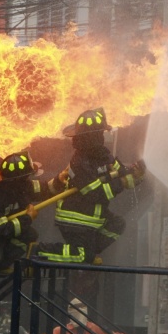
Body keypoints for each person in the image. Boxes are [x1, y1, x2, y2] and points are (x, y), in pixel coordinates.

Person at [36, 108, 145, 265]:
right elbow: (95, 193)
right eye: (97, 134)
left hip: (93, 216)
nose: (100, 137)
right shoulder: (79, 162)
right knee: (82, 256)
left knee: (117, 224)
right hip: (75, 219)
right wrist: (121, 182)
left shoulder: (104, 155)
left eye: (100, 133)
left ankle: (89, 252)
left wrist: (137, 175)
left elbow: (122, 174)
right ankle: (40, 251)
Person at [0, 151, 67, 285]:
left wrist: (59, 180)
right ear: (15, 181)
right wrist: (27, 218)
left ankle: (1, 265)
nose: (28, 180)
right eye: (25, 178)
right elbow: (1, 230)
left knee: (29, 235)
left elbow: (46, 188)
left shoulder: (23, 187)